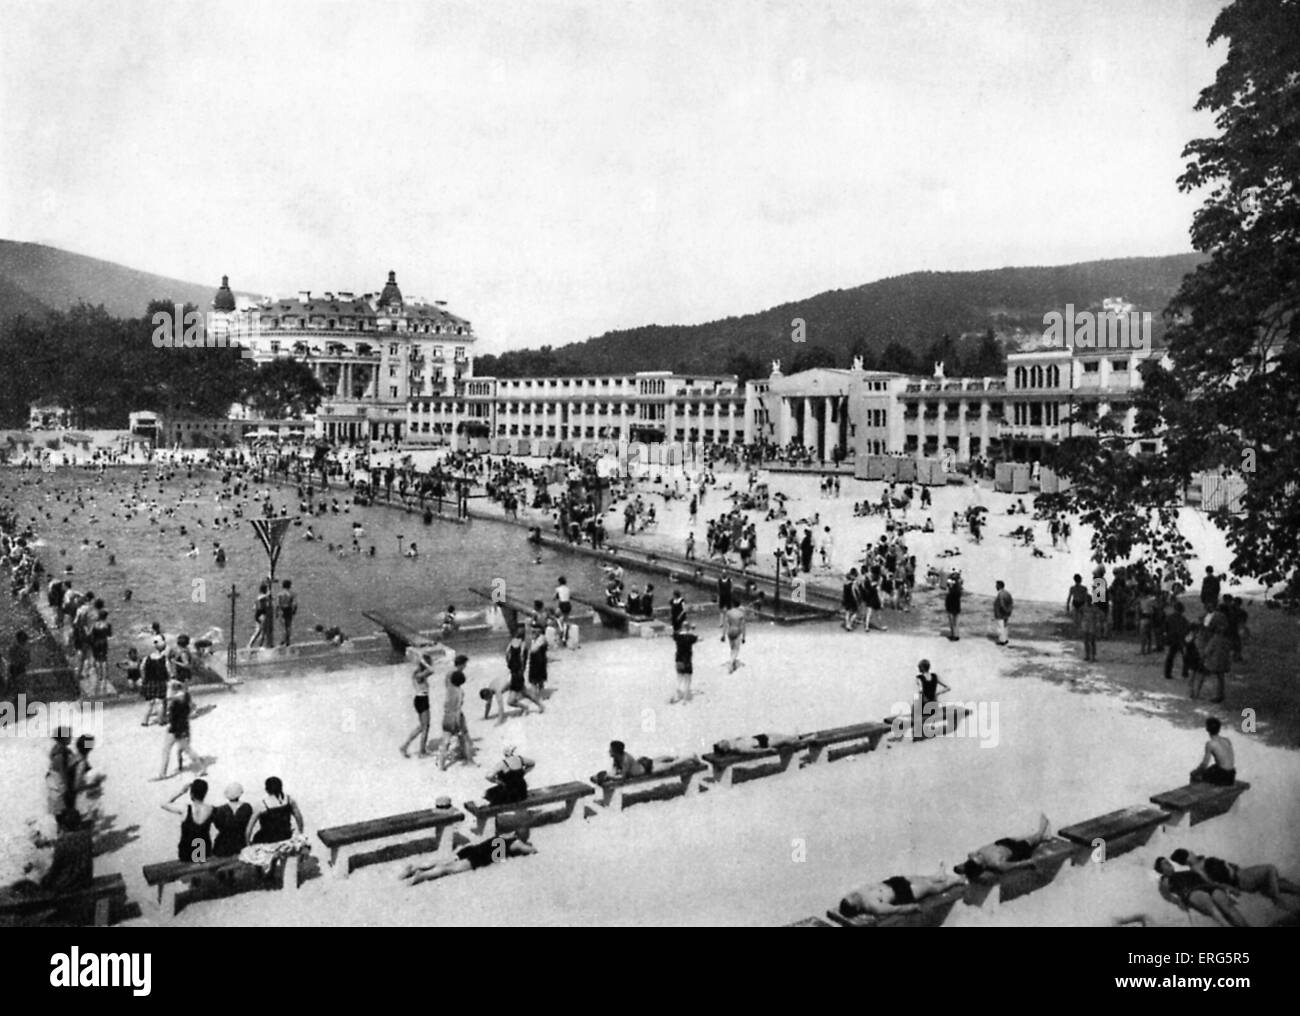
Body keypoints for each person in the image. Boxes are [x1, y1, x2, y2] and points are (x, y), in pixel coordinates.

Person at [1171, 848, 1300, 909]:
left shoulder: (1199, 863)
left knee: (1282, 884)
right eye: (1190, 852)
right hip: (1241, 878)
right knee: (1270, 869)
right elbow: (1212, 883)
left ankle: (1277, 894)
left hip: (1241, 874)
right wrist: (1230, 889)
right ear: (1187, 858)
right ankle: (1277, 898)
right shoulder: (1197, 869)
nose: (1193, 851)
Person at [400, 829, 537, 885]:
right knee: (449, 869)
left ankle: (415, 868)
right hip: (480, 858)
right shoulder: (516, 843)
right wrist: (529, 846)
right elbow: (530, 850)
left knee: (443, 861)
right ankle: (422, 876)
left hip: (472, 849)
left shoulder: (503, 836)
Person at [1154, 856, 1249, 927]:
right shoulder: (1165, 879)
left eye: (1168, 861)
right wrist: (1178, 901)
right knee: (1213, 908)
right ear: (1161, 869)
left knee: (1227, 905)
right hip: (1191, 891)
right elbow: (1166, 894)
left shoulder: (1187, 872)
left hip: (1206, 886)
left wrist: (1225, 887)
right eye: (1165, 863)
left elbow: (1208, 882)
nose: (1168, 863)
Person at [955, 815, 1053, 879]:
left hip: (1002, 843)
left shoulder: (975, 857)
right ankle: (1043, 829)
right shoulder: (995, 863)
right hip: (1017, 850)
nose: (978, 856)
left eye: (976, 858)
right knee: (1036, 836)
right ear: (983, 866)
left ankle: (1042, 836)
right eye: (978, 859)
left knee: (1023, 836)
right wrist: (1027, 863)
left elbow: (970, 857)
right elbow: (1013, 866)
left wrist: (964, 867)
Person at [838, 870, 967, 919]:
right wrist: (914, 907)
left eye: (850, 895)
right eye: (853, 899)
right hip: (904, 893)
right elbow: (897, 909)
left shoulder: (859, 894)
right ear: (858, 908)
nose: (854, 895)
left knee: (917, 877)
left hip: (892, 883)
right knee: (931, 888)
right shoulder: (875, 906)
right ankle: (956, 881)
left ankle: (936, 876)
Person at [158, 679, 206, 780]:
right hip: (182, 726)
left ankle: (162, 774)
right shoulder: (186, 697)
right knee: (185, 749)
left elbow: (169, 704)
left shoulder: (175, 700)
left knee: (170, 749)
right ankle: (201, 768)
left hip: (175, 728)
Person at [593, 741, 700, 783]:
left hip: (647, 770)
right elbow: (615, 770)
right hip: (642, 763)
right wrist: (610, 774)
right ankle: (674, 757)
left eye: (611, 750)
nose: (609, 751)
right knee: (658, 760)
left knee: (671, 765)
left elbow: (623, 777)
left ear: (616, 752)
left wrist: (610, 777)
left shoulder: (625, 760)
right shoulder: (618, 758)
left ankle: (690, 757)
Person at [162, 779, 214, 863]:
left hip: (186, 853)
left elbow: (164, 804)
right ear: (205, 793)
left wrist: (181, 792)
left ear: (191, 794)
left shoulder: (185, 809)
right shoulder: (211, 809)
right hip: (204, 852)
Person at [398, 645, 436, 758]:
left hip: (420, 699)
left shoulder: (417, 674)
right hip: (422, 699)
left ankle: (405, 746)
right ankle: (422, 752)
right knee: (425, 727)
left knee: (422, 726)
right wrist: (423, 661)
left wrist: (422, 661)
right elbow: (431, 670)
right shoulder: (419, 675)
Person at [245, 777, 305, 845]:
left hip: (267, 839)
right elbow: (299, 818)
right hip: (286, 836)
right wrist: (300, 832)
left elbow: (250, 827)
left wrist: (247, 842)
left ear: (266, 790)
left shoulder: (262, 804)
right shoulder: (289, 800)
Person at [439, 660, 475, 771]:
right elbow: (458, 709)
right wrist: (458, 724)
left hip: (446, 717)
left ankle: (441, 766)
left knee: (445, 742)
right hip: (456, 717)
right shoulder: (460, 692)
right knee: (464, 738)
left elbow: (447, 679)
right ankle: (470, 761)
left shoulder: (449, 689)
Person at [1192, 607, 1231, 703]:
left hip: (1212, 661)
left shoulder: (1214, 639)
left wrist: (1203, 657)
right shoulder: (1226, 640)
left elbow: (1207, 651)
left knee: (1202, 675)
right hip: (1223, 661)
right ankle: (1220, 694)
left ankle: (1196, 693)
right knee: (1220, 678)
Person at [1190, 716, 1236, 786]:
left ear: (1207, 729)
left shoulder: (1210, 744)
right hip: (1232, 774)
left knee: (1194, 775)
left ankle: (1197, 794)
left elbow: (1205, 764)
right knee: (1213, 768)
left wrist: (1196, 772)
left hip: (1223, 776)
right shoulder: (1227, 740)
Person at [211, 783, 253, 858]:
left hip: (223, 845)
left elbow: (218, 826)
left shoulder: (220, 809)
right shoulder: (247, 807)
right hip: (240, 842)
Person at [141, 635, 170, 726]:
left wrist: (143, 679)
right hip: (160, 682)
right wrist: (169, 678)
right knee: (160, 702)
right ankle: (161, 720)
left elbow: (142, 668)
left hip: (149, 682)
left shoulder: (147, 658)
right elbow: (169, 670)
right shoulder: (164, 659)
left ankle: (145, 721)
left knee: (149, 702)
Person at [670, 621, 699, 704]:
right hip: (687, 660)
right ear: (688, 628)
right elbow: (699, 638)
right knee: (688, 679)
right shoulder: (690, 637)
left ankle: (678, 695)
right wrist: (692, 631)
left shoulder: (677, 636)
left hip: (678, 660)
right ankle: (685, 699)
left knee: (679, 678)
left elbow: (674, 634)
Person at [1163, 600, 1190, 680]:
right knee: (1185, 656)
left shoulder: (1169, 618)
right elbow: (1187, 630)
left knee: (1170, 657)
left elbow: (1165, 629)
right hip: (1181, 639)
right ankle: (1185, 672)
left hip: (1173, 639)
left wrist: (1166, 638)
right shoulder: (1183, 619)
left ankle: (1168, 673)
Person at [711, 732, 809, 754]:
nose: (723, 741)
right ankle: (807, 740)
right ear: (724, 748)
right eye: (721, 743)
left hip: (761, 737)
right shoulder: (738, 748)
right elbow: (754, 751)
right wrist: (768, 749)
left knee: (788, 737)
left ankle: (801, 739)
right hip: (765, 743)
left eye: (721, 741)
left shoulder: (733, 742)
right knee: (786, 741)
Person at [722, 602, 747, 673]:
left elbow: (725, 624)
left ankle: (732, 662)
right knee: (736, 649)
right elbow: (743, 626)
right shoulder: (741, 614)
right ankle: (731, 662)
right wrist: (744, 637)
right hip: (737, 630)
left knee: (732, 648)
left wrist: (723, 635)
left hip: (730, 631)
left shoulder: (728, 613)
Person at [276, 579, 297, 647]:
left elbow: (277, 604)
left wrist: (276, 612)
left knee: (283, 626)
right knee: (288, 626)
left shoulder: (280, 594)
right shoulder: (291, 594)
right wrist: (294, 611)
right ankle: (287, 642)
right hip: (289, 610)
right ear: (289, 586)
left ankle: (283, 640)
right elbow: (295, 604)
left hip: (282, 610)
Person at [992, 580, 1013, 646]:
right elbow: (1011, 603)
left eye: (996, 585)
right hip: (1006, 614)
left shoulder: (1000, 594)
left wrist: (1004, 610)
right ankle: (1005, 639)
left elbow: (1001, 604)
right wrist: (1008, 611)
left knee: (1000, 627)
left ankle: (1002, 641)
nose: (995, 587)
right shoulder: (1007, 593)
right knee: (1005, 627)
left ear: (999, 586)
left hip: (1000, 614)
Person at [944, 572, 962, 640]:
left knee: (953, 622)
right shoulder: (957, 588)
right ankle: (955, 635)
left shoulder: (954, 589)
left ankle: (954, 635)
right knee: (955, 622)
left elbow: (951, 597)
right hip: (955, 607)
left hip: (952, 607)